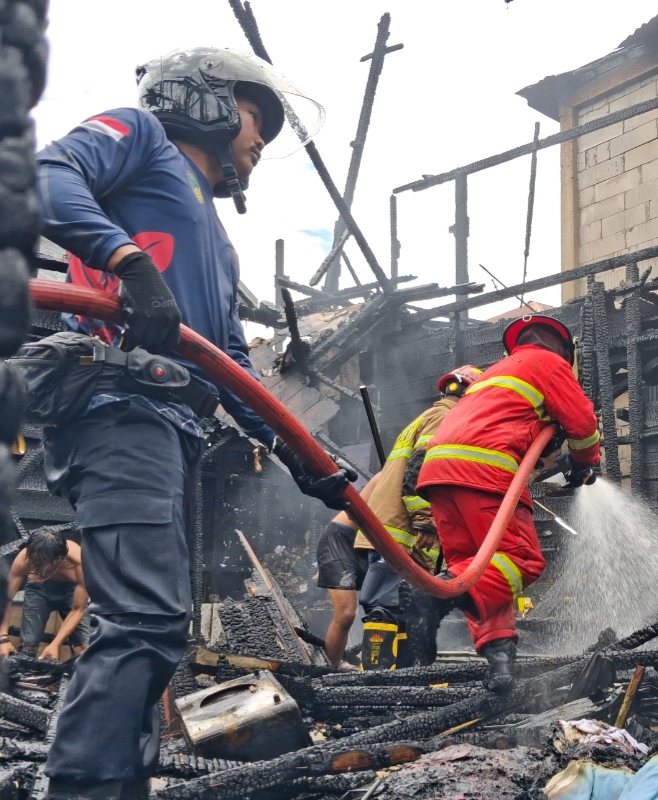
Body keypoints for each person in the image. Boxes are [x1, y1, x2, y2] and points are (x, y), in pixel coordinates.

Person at [34, 47, 353, 800]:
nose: (258, 146)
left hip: (167, 425)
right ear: (203, 98)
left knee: (153, 624)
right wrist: (127, 262)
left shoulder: (215, 239)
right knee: (142, 620)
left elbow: (230, 361)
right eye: (255, 122)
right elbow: (45, 177)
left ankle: (120, 785)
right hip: (119, 405)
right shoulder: (139, 135)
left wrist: (298, 449)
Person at [417, 315, 601, 692]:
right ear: (566, 350)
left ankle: (500, 665)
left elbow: (509, 421)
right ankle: (432, 597)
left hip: (439, 475)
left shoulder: (492, 376)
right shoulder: (548, 362)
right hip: (485, 470)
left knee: (480, 570)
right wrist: (585, 465)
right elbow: (583, 422)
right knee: (520, 560)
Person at [354, 366, 483, 670]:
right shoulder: (444, 418)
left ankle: (400, 681)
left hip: (400, 529)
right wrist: (425, 519)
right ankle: (375, 683)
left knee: (402, 607)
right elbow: (421, 466)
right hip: (403, 531)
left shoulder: (429, 417)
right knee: (384, 607)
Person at [315, 473, 381, 667]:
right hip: (341, 539)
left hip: (370, 547)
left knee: (387, 611)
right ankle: (330, 673)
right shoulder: (390, 475)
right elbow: (354, 511)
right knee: (346, 614)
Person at [0, 528, 92, 661]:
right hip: (39, 589)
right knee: (28, 646)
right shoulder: (24, 559)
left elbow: (77, 609)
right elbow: (6, 598)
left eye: (40, 564)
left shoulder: (79, 563)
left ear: (58, 559)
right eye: (33, 561)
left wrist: (55, 644)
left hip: (72, 591)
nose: (34, 568)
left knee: (83, 647)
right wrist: (2, 638)